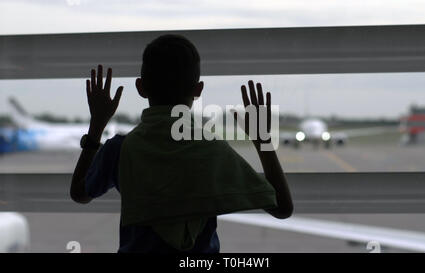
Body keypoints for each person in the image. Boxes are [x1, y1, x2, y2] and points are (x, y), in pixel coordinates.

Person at [70, 34, 293, 253]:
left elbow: (80, 193)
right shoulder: (212, 150)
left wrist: (96, 126)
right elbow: (282, 207)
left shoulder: (121, 149)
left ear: (141, 87)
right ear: (198, 91)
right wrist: (262, 139)